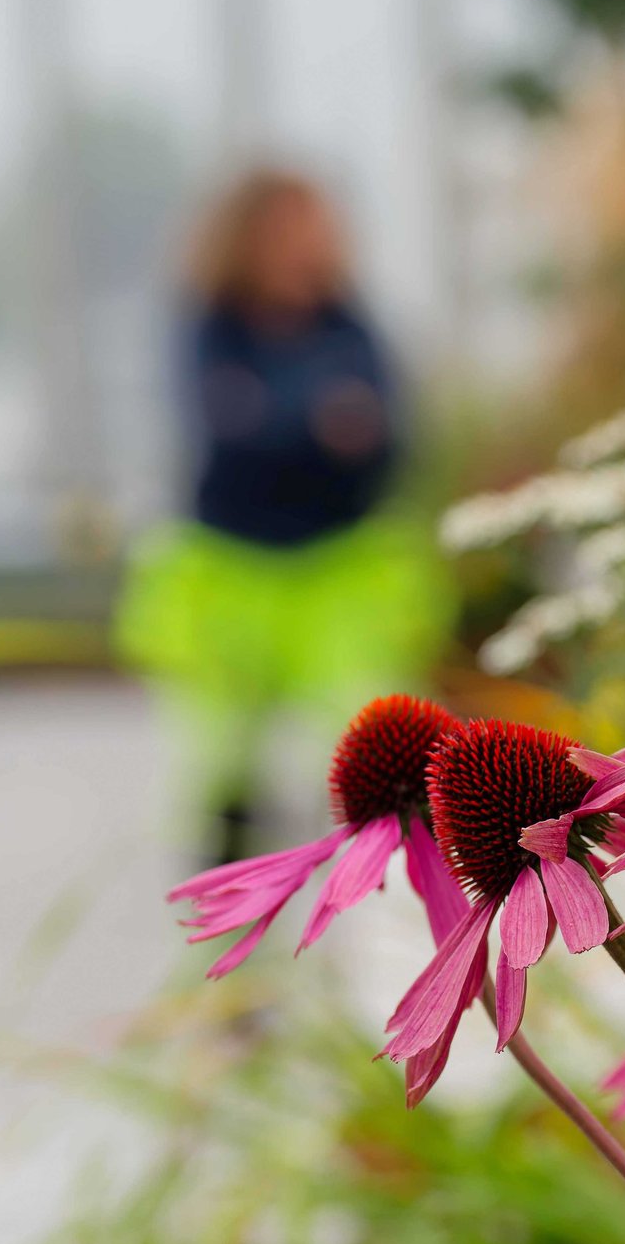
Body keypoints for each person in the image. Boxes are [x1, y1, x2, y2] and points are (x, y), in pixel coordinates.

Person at [116, 169, 453, 865]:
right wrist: (318, 420)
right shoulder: (211, 328)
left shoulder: (349, 326)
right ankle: (228, 905)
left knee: (382, 737)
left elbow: (387, 439)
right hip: (228, 570)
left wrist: (280, 418)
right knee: (221, 761)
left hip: (342, 570)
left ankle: (404, 892)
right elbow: (224, 431)